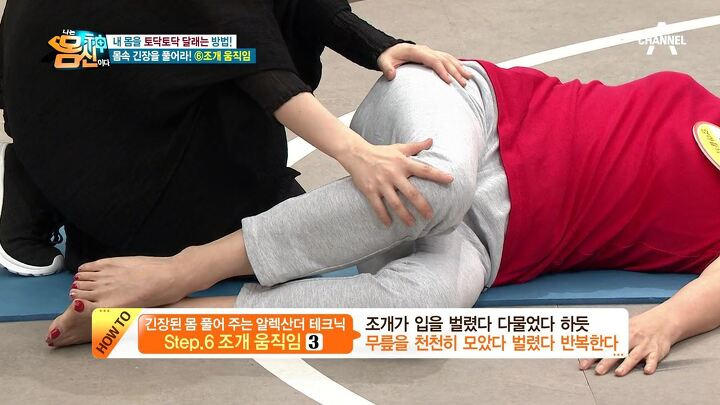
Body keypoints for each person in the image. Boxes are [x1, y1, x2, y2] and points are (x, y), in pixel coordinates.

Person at [47, 58, 720, 377]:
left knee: (427, 309)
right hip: (468, 112)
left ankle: (171, 321)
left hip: (489, 243)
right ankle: (185, 270)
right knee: (441, 184)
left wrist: (665, 321)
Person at [0, 0, 470, 276]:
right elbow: (249, 58)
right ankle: (77, 191)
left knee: (171, 47)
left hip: (74, 87)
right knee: (256, 219)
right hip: (107, 140)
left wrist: (377, 45)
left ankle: (36, 178)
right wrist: (358, 154)